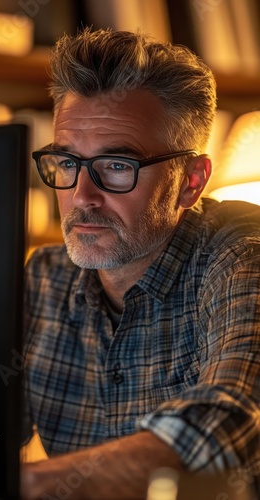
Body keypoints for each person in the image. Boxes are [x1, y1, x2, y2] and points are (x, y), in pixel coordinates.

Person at [21, 28, 260, 499]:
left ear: (190, 181)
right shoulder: (43, 278)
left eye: (116, 166)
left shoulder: (240, 253)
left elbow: (233, 418)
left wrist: (24, 485)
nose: (80, 198)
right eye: (67, 163)